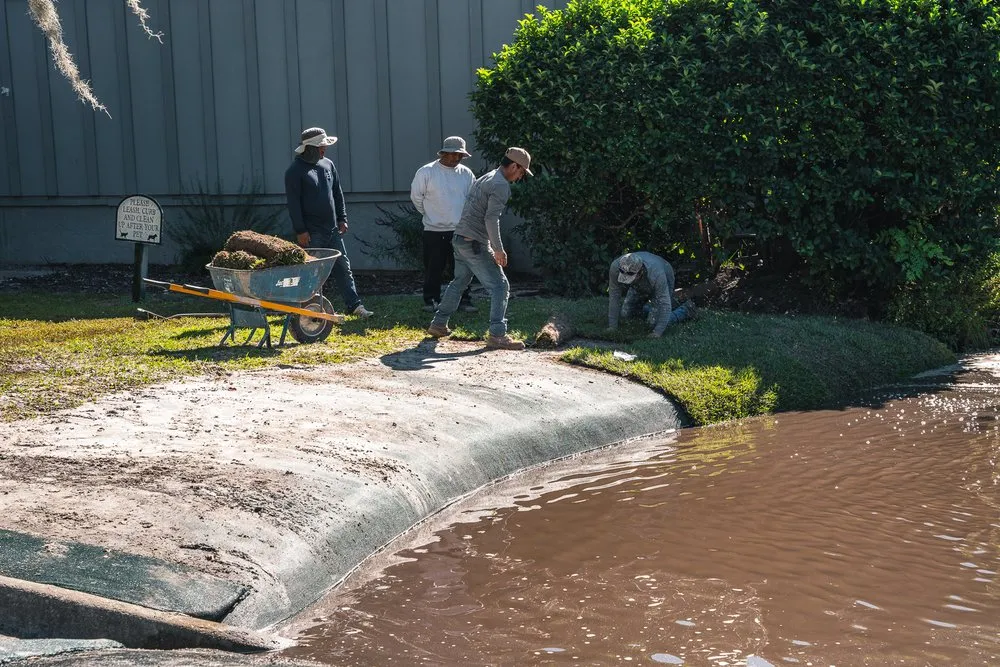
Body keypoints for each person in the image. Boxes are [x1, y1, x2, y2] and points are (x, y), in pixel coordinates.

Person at [426, 147, 533, 350]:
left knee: (459, 282)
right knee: (500, 286)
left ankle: (438, 324)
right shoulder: (500, 185)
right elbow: (491, 218)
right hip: (473, 243)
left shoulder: (487, 177)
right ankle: (497, 334)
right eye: (521, 172)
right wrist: (498, 249)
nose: (520, 177)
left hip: (460, 238)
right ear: (513, 165)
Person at [285, 127, 373, 318]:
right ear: (309, 148)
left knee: (343, 268)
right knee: (311, 273)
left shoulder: (328, 165)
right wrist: (300, 230)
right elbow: (293, 204)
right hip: (311, 233)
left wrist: (342, 218)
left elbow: (337, 193)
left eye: (324, 146)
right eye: (320, 147)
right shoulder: (295, 171)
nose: (324, 150)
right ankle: (308, 309)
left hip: (332, 230)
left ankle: (354, 306)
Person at [410, 136, 477, 313]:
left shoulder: (466, 173)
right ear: (444, 153)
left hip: (460, 229)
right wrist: (431, 214)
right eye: (453, 154)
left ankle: (463, 300)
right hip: (434, 229)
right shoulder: (426, 172)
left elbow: (472, 199)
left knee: (462, 268)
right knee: (434, 267)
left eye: (460, 155)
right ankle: (431, 300)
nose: (456, 158)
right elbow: (416, 198)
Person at [607, 251, 697, 338]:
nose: (625, 277)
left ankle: (685, 310)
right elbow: (614, 296)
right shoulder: (616, 267)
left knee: (653, 323)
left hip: (663, 276)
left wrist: (657, 332)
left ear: (640, 272)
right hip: (638, 285)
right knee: (626, 314)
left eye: (630, 276)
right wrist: (612, 327)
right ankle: (652, 310)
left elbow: (664, 304)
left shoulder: (657, 274)